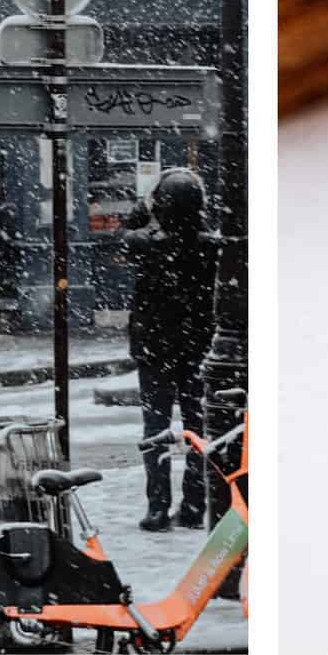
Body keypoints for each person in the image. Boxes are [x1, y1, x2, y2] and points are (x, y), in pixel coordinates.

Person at [120, 168, 219, 532]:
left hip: (155, 351)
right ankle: (194, 505)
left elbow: (124, 234)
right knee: (199, 429)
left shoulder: (145, 244)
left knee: (155, 428)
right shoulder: (211, 247)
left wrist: (143, 206)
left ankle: (157, 507)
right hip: (198, 349)